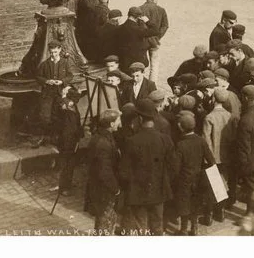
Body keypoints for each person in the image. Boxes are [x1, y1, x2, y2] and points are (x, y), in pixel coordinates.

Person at [118, 98, 177, 236]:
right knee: (157, 225)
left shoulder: (131, 141)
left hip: (138, 192)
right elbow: (174, 166)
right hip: (159, 189)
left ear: (139, 118)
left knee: (141, 226)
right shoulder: (165, 139)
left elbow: (124, 171)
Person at [170, 111, 215, 235]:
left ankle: (183, 229)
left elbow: (175, 167)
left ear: (180, 127)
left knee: (184, 204)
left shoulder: (180, 145)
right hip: (198, 178)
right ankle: (194, 227)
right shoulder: (201, 141)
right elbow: (211, 160)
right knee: (195, 202)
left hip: (184, 180)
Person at [84, 109, 121, 235]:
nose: (119, 124)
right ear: (111, 124)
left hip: (100, 188)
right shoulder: (103, 143)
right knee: (104, 220)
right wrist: (115, 188)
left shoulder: (101, 136)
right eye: (117, 121)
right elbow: (104, 171)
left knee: (104, 219)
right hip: (103, 190)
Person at [202, 87, 235, 222]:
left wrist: (208, 157)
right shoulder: (230, 116)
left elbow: (206, 139)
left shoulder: (209, 117)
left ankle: (209, 215)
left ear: (214, 99)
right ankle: (220, 212)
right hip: (226, 156)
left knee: (212, 184)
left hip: (213, 157)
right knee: (223, 182)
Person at [36, 40, 74, 143]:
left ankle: (57, 137)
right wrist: (47, 81)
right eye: (51, 52)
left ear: (60, 50)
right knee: (45, 116)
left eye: (55, 52)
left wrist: (62, 81)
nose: (53, 54)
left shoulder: (65, 63)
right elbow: (38, 77)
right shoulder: (44, 64)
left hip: (60, 93)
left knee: (59, 115)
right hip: (47, 94)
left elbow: (70, 76)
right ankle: (46, 136)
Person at [53, 85, 82, 193]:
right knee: (67, 164)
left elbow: (76, 98)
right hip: (66, 140)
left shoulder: (70, 104)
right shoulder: (64, 105)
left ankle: (66, 184)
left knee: (70, 164)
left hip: (70, 138)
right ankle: (64, 188)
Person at [140, 0, 170, 83]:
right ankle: (152, 86)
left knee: (141, 65)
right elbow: (165, 26)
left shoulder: (139, 9)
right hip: (155, 41)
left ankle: (141, 85)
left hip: (142, 41)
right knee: (154, 66)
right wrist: (157, 36)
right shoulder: (161, 10)